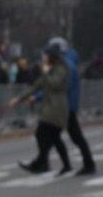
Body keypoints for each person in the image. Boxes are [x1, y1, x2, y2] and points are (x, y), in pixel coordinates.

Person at [11, 42, 71, 175]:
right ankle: (51, 163)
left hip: (56, 108)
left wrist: (45, 73)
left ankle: (41, 163)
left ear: (51, 56)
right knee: (52, 138)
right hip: (50, 108)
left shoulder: (61, 68)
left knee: (43, 134)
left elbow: (54, 83)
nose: (43, 57)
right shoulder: (51, 69)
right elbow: (36, 85)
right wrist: (19, 98)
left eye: (45, 55)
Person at [50, 37, 96, 175]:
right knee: (70, 136)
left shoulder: (66, 65)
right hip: (66, 106)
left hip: (66, 107)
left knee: (71, 136)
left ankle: (84, 164)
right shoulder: (67, 63)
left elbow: (62, 85)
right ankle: (79, 164)